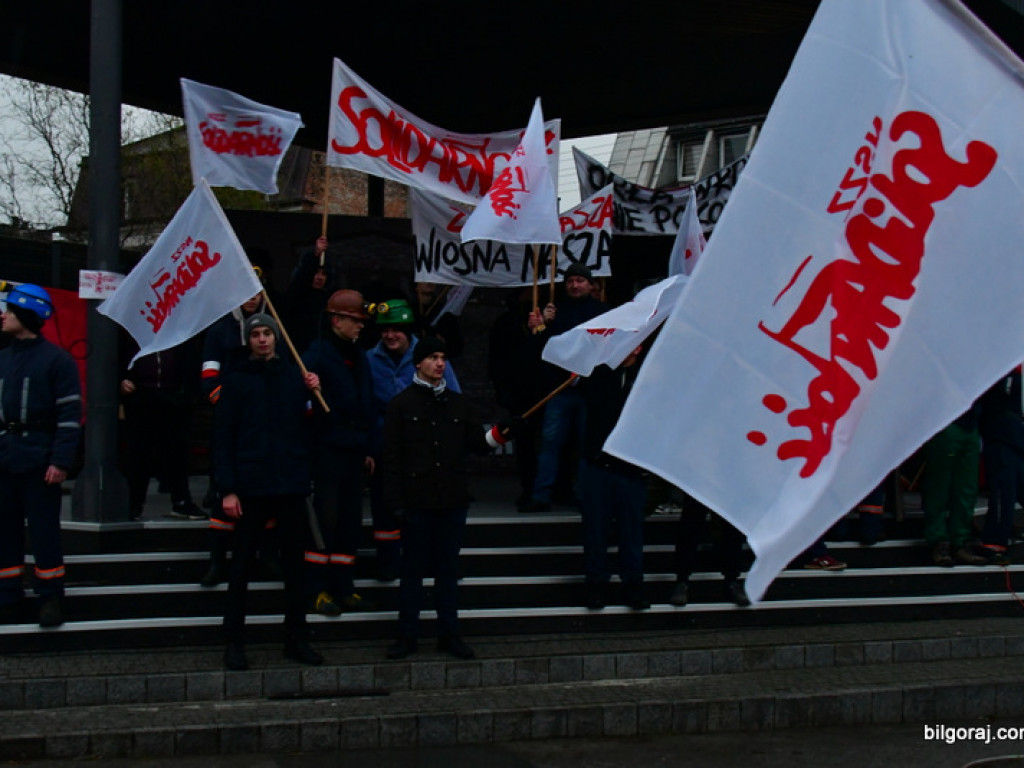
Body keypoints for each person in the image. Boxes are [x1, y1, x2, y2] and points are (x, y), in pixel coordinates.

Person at [382, 338, 508, 660]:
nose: (440, 363)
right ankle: (407, 635)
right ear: (418, 362)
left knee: (447, 572)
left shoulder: (459, 404)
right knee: (412, 573)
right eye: (433, 357)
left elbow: (478, 444)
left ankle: (449, 634)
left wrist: (502, 432)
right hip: (416, 503)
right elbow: (391, 459)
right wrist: (396, 504)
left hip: (451, 501)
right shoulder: (400, 405)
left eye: (443, 357)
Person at [213, 313, 324, 670]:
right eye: (256, 334)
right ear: (248, 340)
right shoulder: (236, 381)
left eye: (267, 333)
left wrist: (314, 393)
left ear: (277, 337)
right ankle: (234, 641)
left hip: (289, 483)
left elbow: (312, 427)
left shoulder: (294, 376)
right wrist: (228, 489)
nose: (262, 339)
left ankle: (296, 638)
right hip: (251, 486)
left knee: (295, 568)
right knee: (242, 567)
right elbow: (223, 438)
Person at [0, 283, 81, 627]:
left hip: (40, 460)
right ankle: (7, 595)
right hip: (5, 458)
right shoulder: (3, 358)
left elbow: (69, 417)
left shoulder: (57, 360)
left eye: (10, 310)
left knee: (44, 532)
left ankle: (50, 597)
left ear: (27, 315)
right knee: (5, 531)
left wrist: (60, 460)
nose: (3, 315)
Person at [365, 298, 461, 581]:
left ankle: (433, 563)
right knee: (385, 509)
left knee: (427, 510)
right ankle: (388, 563)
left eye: (396, 329)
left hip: (425, 450)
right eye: (385, 329)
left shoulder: (431, 356)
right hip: (386, 449)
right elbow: (364, 407)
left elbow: (454, 400)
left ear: (407, 330)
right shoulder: (369, 360)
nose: (390, 335)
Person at [302, 288, 376, 615]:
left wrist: (368, 447)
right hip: (327, 452)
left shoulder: (358, 355)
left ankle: (343, 586)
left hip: (354, 450)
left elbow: (367, 402)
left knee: (348, 521)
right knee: (324, 521)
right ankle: (316, 589)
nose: (360, 326)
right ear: (336, 320)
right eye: (355, 320)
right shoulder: (316, 356)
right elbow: (301, 406)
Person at [520, 263, 606, 513]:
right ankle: (541, 495)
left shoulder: (603, 312)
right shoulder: (555, 312)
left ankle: (585, 496)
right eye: (570, 281)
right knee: (550, 445)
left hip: (589, 391)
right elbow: (540, 351)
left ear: (590, 284)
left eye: (580, 280)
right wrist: (542, 326)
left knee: (587, 446)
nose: (575, 285)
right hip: (560, 390)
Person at [198, 290, 270, 586]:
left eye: (256, 294)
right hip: (231, 410)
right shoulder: (220, 328)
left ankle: (266, 558)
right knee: (224, 494)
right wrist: (222, 400)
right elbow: (209, 370)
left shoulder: (272, 324)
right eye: (245, 294)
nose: (250, 299)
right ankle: (216, 562)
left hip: (262, 419)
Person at [578, 344, 649, 611]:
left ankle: (633, 585)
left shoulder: (647, 376)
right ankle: (596, 585)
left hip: (631, 468)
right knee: (595, 529)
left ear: (638, 347)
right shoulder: (599, 373)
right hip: (599, 463)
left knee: (631, 531)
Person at [119, 338, 202, 521]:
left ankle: (181, 501)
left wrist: (188, 395)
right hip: (140, 396)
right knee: (139, 454)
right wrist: (122, 379)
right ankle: (134, 504)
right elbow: (117, 359)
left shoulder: (180, 332)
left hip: (174, 396)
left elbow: (191, 361)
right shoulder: (131, 332)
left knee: (177, 452)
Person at [488, 288, 547, 510]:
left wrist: (543, 327)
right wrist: (502, 390)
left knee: (548, 442)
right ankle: (530, 488)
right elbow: (497, 360)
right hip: (519, 393)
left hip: (545, 390)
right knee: (525, 443)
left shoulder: (548, 317)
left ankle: (547, 489)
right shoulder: (506, 323)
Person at [922, 404, 988, 567]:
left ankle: (960, 540)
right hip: (945, 421)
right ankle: (939, 541)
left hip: (970, 424)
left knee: (966, 488)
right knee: (939, 487)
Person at [670, 494, 751, 607]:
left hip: (724, 488)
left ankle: (732, 580)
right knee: (690, 526)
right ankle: (682, 580)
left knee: (731, 530)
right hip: (700, 487)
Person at [979, 368, 1024, 565]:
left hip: (1016, 436)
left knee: (1014, 488)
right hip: (1003, 437)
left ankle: (998, 537)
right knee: (1004, 492)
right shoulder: (1004, 371)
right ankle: (994, 543)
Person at [283, 236, 341, 354]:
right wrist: (315, 256)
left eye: (324, 274)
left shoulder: (330, 300)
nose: (320, 277)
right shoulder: (296, 296)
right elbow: (300, 281)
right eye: (316, 272)